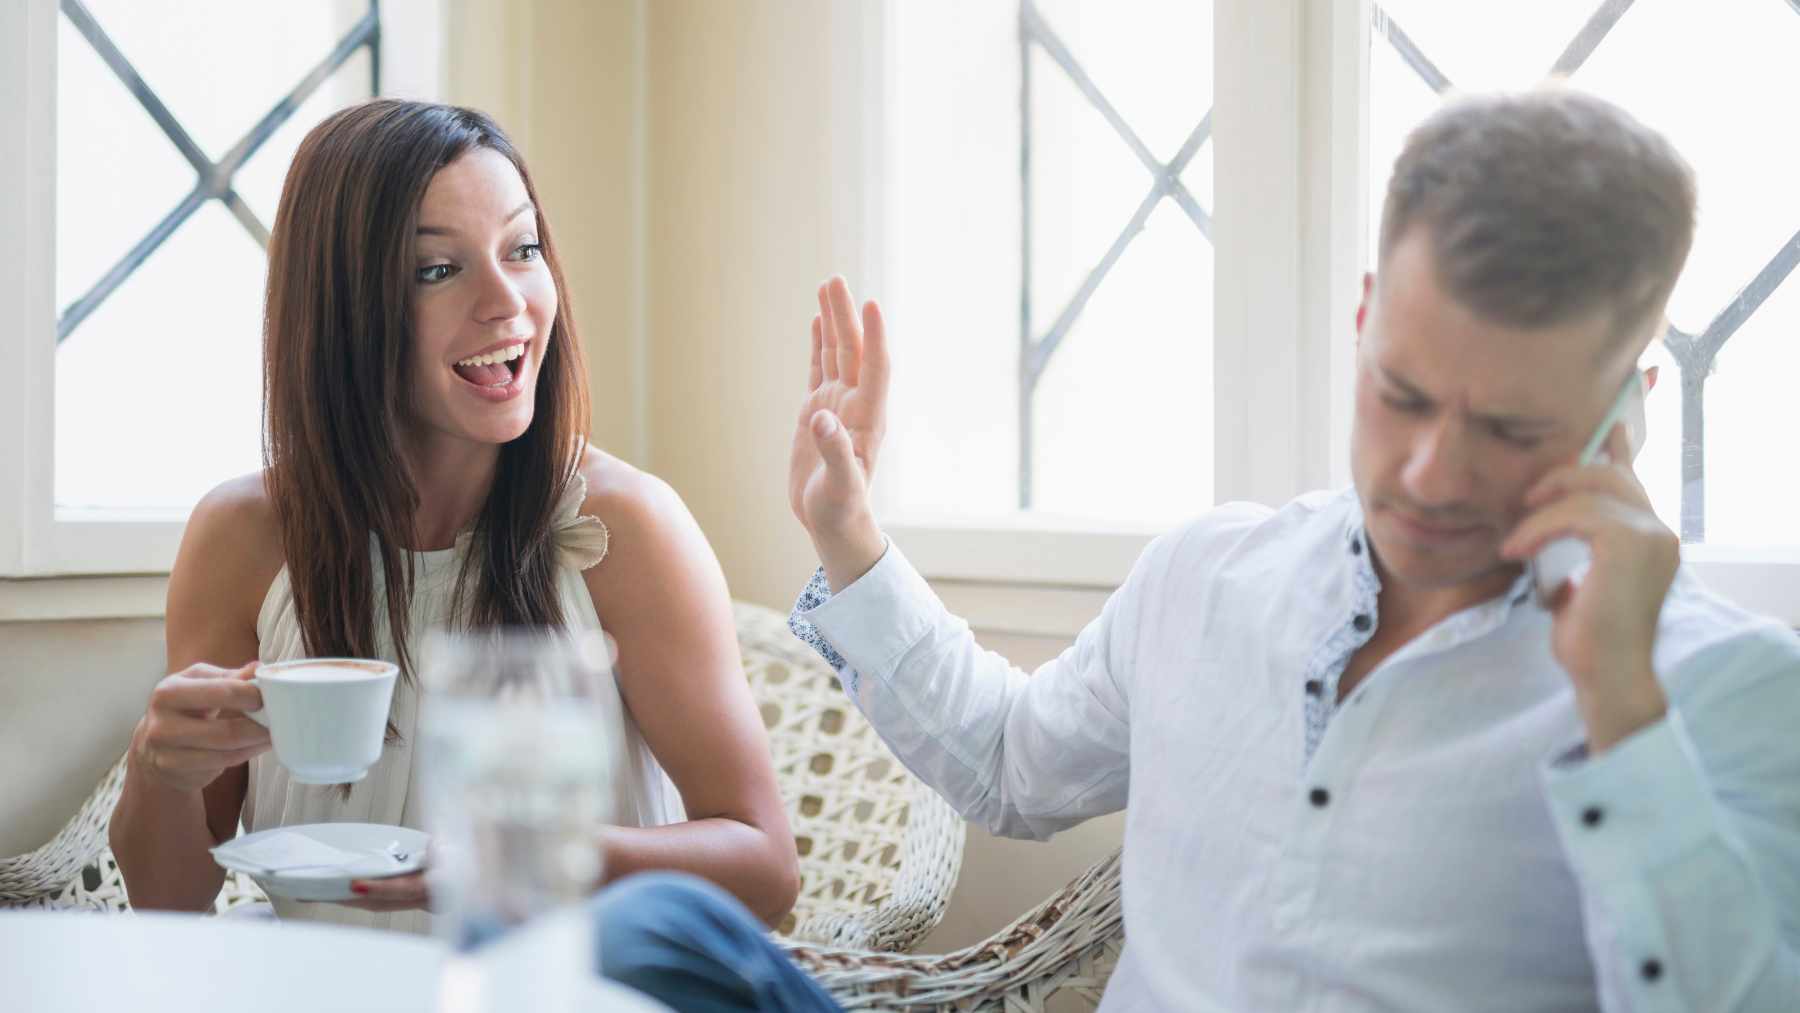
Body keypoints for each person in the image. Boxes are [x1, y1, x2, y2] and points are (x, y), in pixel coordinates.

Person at [598, 87, 1800, 1011]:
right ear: (1368, 313)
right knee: (643, 939)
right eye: (1403, 393)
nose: (1433, 471)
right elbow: (1012, 763)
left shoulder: (1724, 690)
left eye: (1512, 428)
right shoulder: (1210, 575)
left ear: (1626, 413)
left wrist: (1624, 713)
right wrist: (847, 534)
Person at [108, 100, 800, 935]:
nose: (507, 300)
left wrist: (527, 850)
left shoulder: (625, 531)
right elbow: (169, 901)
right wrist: (160, 769)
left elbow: (766, 867)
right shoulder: (242, 536)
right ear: (343, 311)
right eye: (438, 270)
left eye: (523, 248)